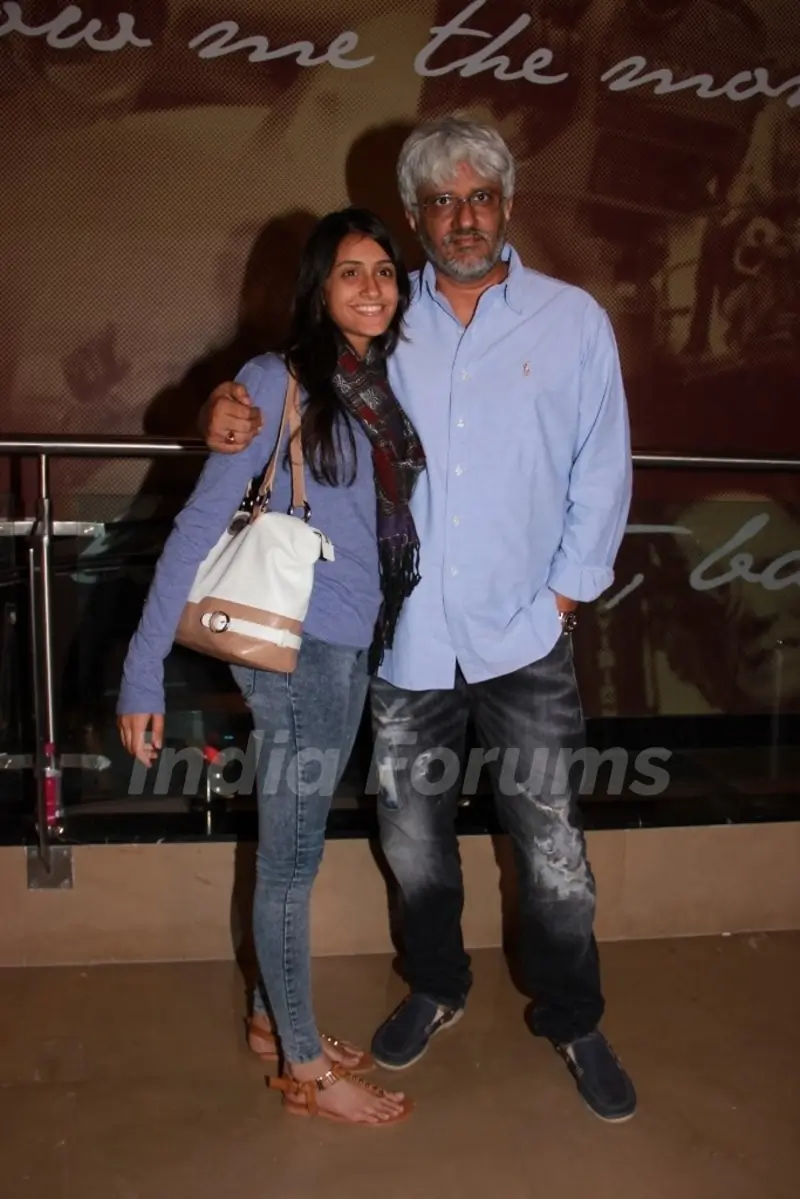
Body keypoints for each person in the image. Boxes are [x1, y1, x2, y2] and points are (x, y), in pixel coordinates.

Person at [200, 117, 637, 1123]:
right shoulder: (382, 321)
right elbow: (285, 380)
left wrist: (562, 597)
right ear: (415, 216)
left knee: (553, 851)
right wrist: (221, 405)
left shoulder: (571, 321)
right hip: (405, 645)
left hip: (524, 635)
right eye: (442, 202)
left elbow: (602, 466)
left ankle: (573, 1017)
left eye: (479, 196)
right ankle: (437, 983)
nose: (463, 218)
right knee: (412, 845)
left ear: (507, 204)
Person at [117, 207, 424, 1126]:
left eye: (384, 271)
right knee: (290, 866)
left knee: (298, 851)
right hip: (297, 654)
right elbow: (196, 526)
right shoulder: (271, 382)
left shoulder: (377, 386)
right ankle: (305, 1068)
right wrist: (141, 671)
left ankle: (267, 1016)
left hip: (349, 645)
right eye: (349, 272)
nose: (371, 287)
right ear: (318, 288)